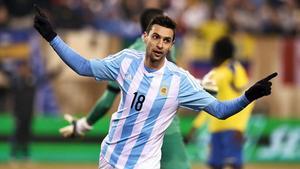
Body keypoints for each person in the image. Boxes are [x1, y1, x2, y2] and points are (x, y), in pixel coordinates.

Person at [33, 5, 277, 169]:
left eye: (167, 40)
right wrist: (52, 37)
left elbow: (220, 110)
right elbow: (84, 67)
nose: (160, 44)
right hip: (109, 158)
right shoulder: (126, 61)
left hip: (145, 164)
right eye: (156, 37)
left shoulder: (179, 80)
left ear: (171, 46)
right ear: (145, 37)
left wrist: (248, 97)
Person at [59, 8, 190, 169]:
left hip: (135, 140)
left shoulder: (130, 56)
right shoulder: (168, 49)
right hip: (169, 131)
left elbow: (107, 101)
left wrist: (82, 125)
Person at [186, 36, 254, 169]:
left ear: (220, 52)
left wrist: (241, 127)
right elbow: (207, 105)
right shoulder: (212, 74)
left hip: (233, 129)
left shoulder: (234, 68)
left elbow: (248, 99)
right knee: (215, 165)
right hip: (215, 129)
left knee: (233, 165)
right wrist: (194, 128)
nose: (211, 54)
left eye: (214, 51)